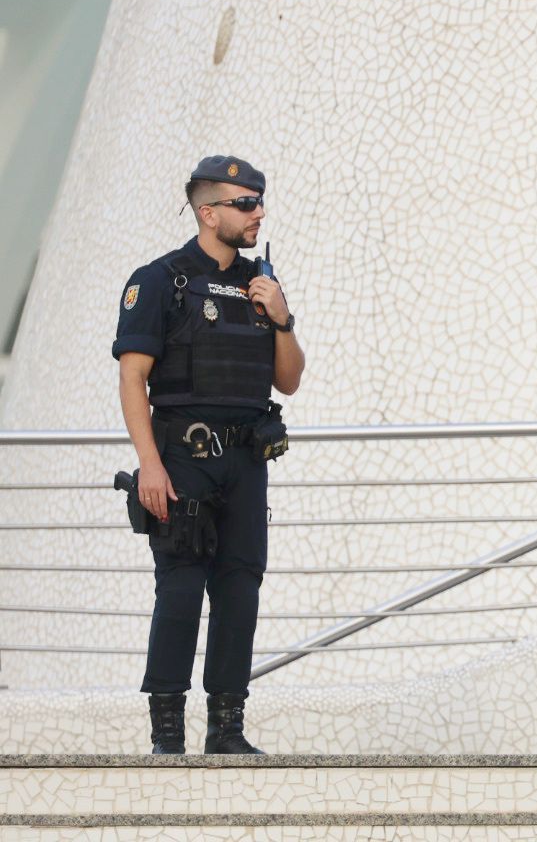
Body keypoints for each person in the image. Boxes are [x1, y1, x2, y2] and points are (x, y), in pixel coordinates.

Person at [113, 156, 304, 755]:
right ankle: (167, 736)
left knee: (240, 590)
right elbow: (132, 378)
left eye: (259, 202)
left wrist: (282, 319)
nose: (258, 213)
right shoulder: (160, 280)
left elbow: (289, 380)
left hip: (246, 460)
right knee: (180, 591)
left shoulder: (261, 285)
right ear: (208, 212)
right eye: (245, 203)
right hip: (183, 457)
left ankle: (227, 730)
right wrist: (149, 463)